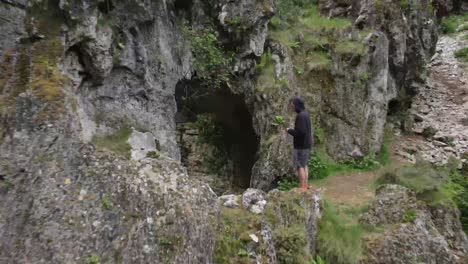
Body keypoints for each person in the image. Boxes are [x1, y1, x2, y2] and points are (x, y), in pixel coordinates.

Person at [286, 97, 313, 190]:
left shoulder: (300, 116)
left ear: (297, 105)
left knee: (300, 166)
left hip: (300, 146)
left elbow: (300, 132)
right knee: (304, 164)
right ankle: (305, 185)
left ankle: (302, 186)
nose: (292, 107)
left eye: (293, 105)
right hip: (306, 144)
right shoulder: (306, 114)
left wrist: (289, 130)